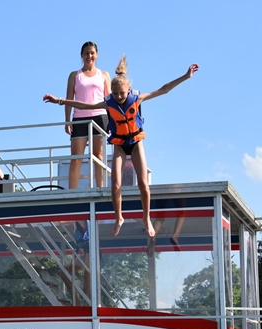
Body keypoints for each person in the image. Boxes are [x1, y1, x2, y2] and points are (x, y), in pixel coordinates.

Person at [43, 56, 199, 237]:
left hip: (135, 143)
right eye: (115, 94)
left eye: (122, 94)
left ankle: (146, 217)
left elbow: (164, 89)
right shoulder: (109, 103)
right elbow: (84, 105)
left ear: (129, 90)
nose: (118, 97)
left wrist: (185, 76)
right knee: (116, 184)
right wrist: (59, 101)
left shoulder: (137, 99)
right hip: (119, 144)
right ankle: (119, 218)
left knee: (143, 183)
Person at [63, 41, 111, 189]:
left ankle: (100, 188)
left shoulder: (104, 75)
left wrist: (113, 120)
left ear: (97, 54)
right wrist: (67, 121)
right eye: (86, 53)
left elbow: (109, 99)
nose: (89, 56)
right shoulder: (74, 75)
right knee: (76, 158)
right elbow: (69, 99)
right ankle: (72, 191)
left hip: (100, 116)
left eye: (92, 53)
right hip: (79, 117)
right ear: (81, 55)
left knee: (99, 156)